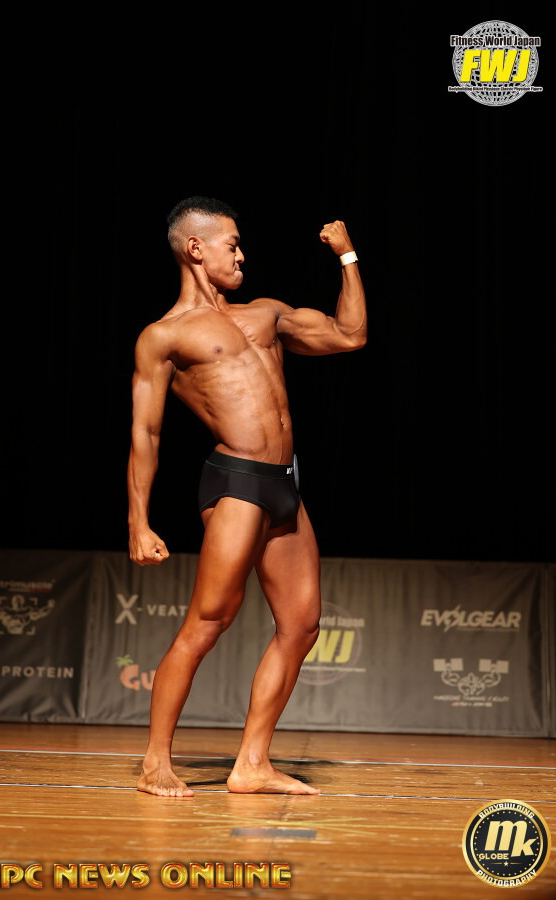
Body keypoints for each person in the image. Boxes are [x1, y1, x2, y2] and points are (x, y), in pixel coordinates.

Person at [127, 196, 367, 797]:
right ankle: (156, 763)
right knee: (208, 622)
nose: (241, 255)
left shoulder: (265, 314)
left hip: (284, 483)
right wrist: (138, 522)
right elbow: (145, 433)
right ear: (196, 248)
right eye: (231, 244)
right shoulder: (163, 336)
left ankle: (252, 764)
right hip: (236, 480)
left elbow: (350, 335)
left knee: (302, 625)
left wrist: (347, 258)